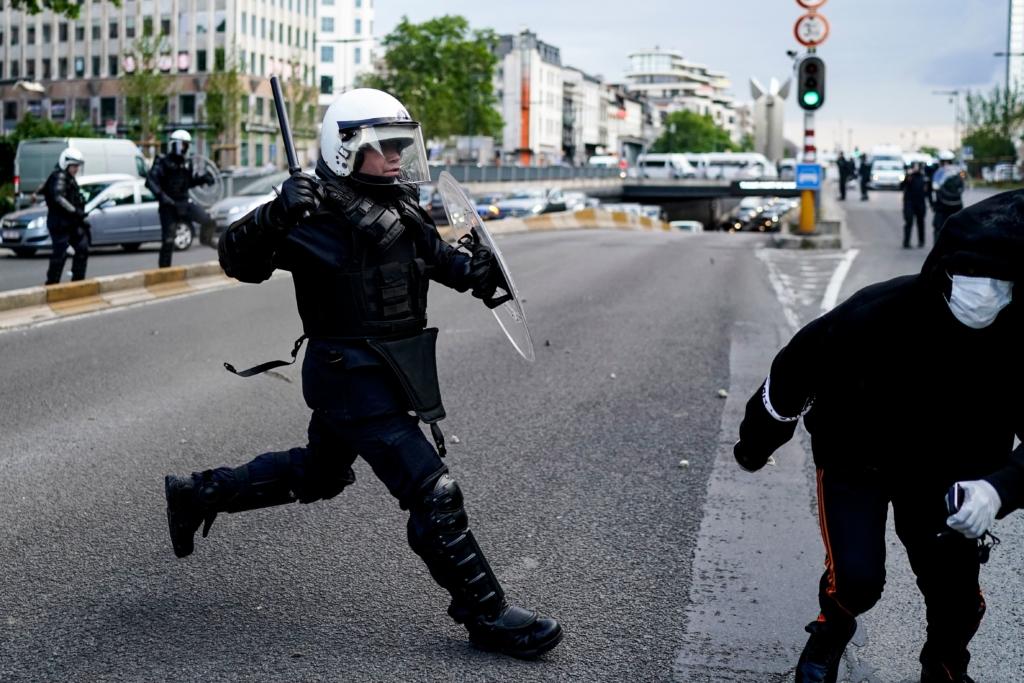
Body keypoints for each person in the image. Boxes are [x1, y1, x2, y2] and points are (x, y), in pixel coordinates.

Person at [162, 89, 563, 659]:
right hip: (349, 378)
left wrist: (478, 271)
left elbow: (440, 262)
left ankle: (197, 493)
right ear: (347, 149)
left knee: (320, 473)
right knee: (435, 493)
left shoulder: (399, 206)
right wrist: (275, 212)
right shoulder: (311, 213)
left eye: (402, 145)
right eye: (385, 147)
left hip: (388, 372)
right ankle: (487, 615)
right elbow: (234, 259)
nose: (397, 157)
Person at [733, 190, 1024, 683]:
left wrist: (999, 487)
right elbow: (795, 370)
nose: (986, 293)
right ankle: (830, 631)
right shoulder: (876, 312)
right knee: (857, 578)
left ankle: (946, 667)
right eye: (973, 278)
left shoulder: (1018, 341)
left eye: (1002, 282)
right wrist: (755, 445)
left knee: (956, 597)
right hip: (856, 457)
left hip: (949, 474)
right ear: (943, 270)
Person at [145, 129, 217, 267]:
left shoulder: (187, 163)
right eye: (180, 145)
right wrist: (163, 197)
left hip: (184, 202)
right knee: (168, 241)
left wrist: (203, 179)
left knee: (209, 221)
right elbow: (150, 182)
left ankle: (205, 239)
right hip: (168, 206)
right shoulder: (162, 161)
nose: (182, 148)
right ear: (173, 145)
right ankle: (164, 272)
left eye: (185, 145)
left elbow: (189, 182)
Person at [43, 148, 89, 285]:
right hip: (60, 223)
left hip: (71, 223)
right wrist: (75, 211)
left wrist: (79, 215)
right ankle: (52, 284)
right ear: (66, 164)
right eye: (74, 166)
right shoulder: (60, 177)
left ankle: (78, 283)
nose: (76, 169)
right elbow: (58, 197)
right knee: (60, 254)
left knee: (82, 248)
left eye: (77, 166)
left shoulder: (69, 179)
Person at [931, 151, 966, 240]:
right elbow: (933, 188)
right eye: (944, 162)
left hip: (955, 205)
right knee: (938, 227)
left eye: (948, 162)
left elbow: (962, 186)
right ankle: (937, 251)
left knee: (958, 228)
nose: (946, 165)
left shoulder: (957, 174)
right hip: (941, 205)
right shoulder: (938, 175)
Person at [901, 162, 929, 248]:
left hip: (920, 202)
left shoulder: (924, 177)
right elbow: (902, 185)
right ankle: (906, 242)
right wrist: (908, 176)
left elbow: (928, 191)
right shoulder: (909, 176)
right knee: (909, 221)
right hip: (909, 202)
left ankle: (921, 241)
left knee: (920, 222)